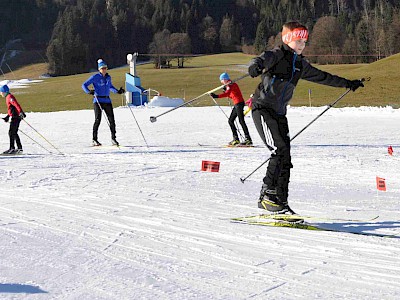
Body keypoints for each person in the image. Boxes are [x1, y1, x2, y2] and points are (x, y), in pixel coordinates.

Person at [248, 21, 364, 213]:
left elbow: (323, 76)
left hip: (279, 113)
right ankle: (267, 195)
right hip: (263, 108)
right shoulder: (277, 55)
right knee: (279, 149)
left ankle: (281, 201)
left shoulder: (300, 64)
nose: (302, 44)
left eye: (304, 41)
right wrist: (256, 66)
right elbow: (259, 60)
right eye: (298, 40)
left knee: (286, 155)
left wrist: (347, 83)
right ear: (287, 39)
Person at [82, 59, 125, 146]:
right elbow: (84, 85)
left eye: (105, 68)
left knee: (111, 120)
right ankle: (94, 139)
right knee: (98, 120)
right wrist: (88, 91)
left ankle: (113, 138)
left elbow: (110, 87)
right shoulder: (95, 77)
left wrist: (117, 91)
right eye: (102, 68)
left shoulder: (108, 77)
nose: (104, 70)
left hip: (107, 100)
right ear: (99, 69)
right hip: (98, 100)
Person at [210, 72, 252, 146]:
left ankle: (248, 139)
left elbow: (227, 93)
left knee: (241, 121)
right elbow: (230, 95)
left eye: (222, 81)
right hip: (237, 104)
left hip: (239, 103)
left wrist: (217, 96)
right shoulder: (229, 85)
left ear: (224, 79)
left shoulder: (231, 84)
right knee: (230, 121)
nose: (221, 82)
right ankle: (236, 139)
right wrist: (224, 91)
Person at [1, 84, 26, 154]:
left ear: (4, 92)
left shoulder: (9, 97)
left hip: (16, 117)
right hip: (14, 116)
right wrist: (7, 117)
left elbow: (16, 104)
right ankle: (19, 148)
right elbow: (11, 109)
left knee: (11, 132)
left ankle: (12, 148)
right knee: (14, 132)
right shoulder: (8, 97)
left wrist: (21, 112)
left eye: (1, 92)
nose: (0, 94)